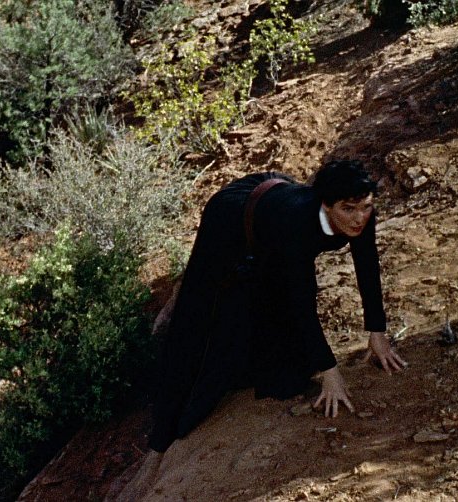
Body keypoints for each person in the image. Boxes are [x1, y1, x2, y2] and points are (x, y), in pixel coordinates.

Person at [148, 159, 407, 454]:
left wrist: (377, 332)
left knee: (289, 368)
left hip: (275, 212)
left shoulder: (361, 214)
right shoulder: (298, 225)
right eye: (348, 209)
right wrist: (330, 372)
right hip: (232, 217)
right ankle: (167, 427)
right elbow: (302, 302)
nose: (359, 218)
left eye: (365, 207)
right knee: (205, 318)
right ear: (326, 205)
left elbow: (367, 265)